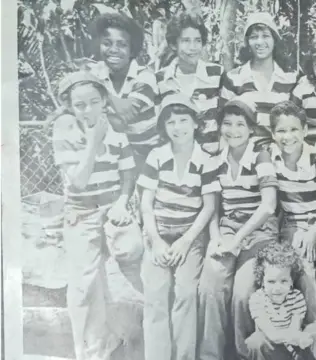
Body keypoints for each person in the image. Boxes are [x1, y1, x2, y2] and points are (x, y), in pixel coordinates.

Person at [52, 71, 143, 360]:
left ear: (104, 100)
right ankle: (92, 352)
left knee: (131, 259)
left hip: (111, 209)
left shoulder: (115, 127)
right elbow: (78, 180)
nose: (88, 109)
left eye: (94, 101)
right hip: (82, 213)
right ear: (69, 106)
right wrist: (93, 140)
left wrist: (122, 202)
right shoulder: (65, 129)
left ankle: (124, 340)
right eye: (80, 105)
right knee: (84, 284)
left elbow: (128, 171)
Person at [198, 95, 279, 360]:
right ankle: (211, 355)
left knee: (243, 292)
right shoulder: (213, 161)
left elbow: (268, 206)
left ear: (252, 129)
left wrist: (238, 241)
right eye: (228, 124)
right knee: (210, 285)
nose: (233, 131)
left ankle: (243, 354)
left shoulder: (261, 156)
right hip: (228, 229)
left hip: (259, 232)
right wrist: (216, 239)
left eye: (240, 125)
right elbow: (213, 207)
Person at [137, 93, 216, 360]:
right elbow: (146, 205)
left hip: (190, 237)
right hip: (158, 234)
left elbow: (208, 206)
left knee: (185, 292)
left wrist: (185, 241)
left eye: (184, 120)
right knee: (156, 294)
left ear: (196, 123)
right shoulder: (156, 156)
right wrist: (156, 241)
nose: (177, 127)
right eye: (170, 122)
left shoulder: (206, 159)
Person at [269, 101, 316, 359]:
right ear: (272, 134)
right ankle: (313, 342)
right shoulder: (271, 157)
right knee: (305, 272)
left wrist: (314, 231)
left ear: (304, 130)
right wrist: (298, 232)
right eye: (280, 131)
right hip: (291, 224)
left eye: (293, 130)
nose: (287, 137)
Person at [89, 13, 160, 167]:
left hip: (147, 156)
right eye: (107, 43)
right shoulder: (96, 73)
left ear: (132, 50)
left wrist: (98, 88)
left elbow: (126, 116)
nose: (113, 50)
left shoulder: (145, 76)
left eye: (122, 44)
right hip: (114, 155)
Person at [220, 12, 298, 149]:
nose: (260, 42)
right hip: (243, 153)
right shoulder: (233, 78)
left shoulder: (291, 79)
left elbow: (297, 124)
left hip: (282, 152)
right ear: (247, 42)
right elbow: (224, 123)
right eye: (254, 37)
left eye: (266, 36)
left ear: (275, 40)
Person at [156, 12, 225, 155]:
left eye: (198, 41)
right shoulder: (160, 79)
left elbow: (228, 117)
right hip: (175, 161)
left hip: (211, 158)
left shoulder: (217, 74)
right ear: (174, 44)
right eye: (186, 41)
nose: (193, 47)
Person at [246, 242, 316, 360]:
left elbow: (294, 328)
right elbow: (271, 333)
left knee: (314, 331)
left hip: (293, 347)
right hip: (272, 349)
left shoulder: (296, 297)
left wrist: (301, 338)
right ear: (262, 281)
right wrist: (294, 337)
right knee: (255, 342)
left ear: (291, 281)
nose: (277, 288)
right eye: (271, 281)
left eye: (283, 281)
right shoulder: (257, 299)